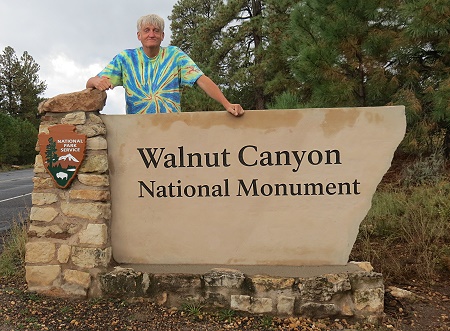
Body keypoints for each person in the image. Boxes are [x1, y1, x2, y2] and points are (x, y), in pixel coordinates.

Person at [86, 14, 244, 117]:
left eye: (156, 30)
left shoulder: (174, 55)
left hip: (171, 128)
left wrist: (227, 104)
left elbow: (201, 79)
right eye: (146, 30)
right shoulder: (126, 58)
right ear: (139, 35)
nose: (151, 34)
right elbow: (91, 83)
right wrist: (95, 81)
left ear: (162, 36)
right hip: (137, 129)